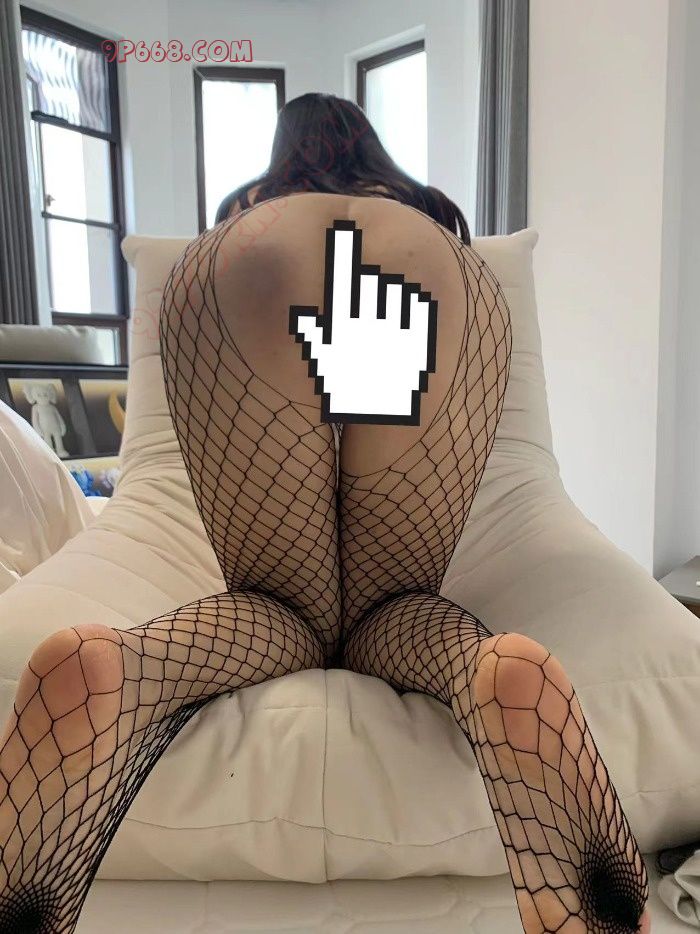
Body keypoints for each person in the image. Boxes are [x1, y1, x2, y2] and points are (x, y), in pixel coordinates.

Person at [0, 93, 651, 934]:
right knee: (393, 603)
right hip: (419, 264)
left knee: (280, 604)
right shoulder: (426, 208)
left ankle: (131, 669)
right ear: (367, 146)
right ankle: (485, 671)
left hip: (252, 261)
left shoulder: (249, 207)